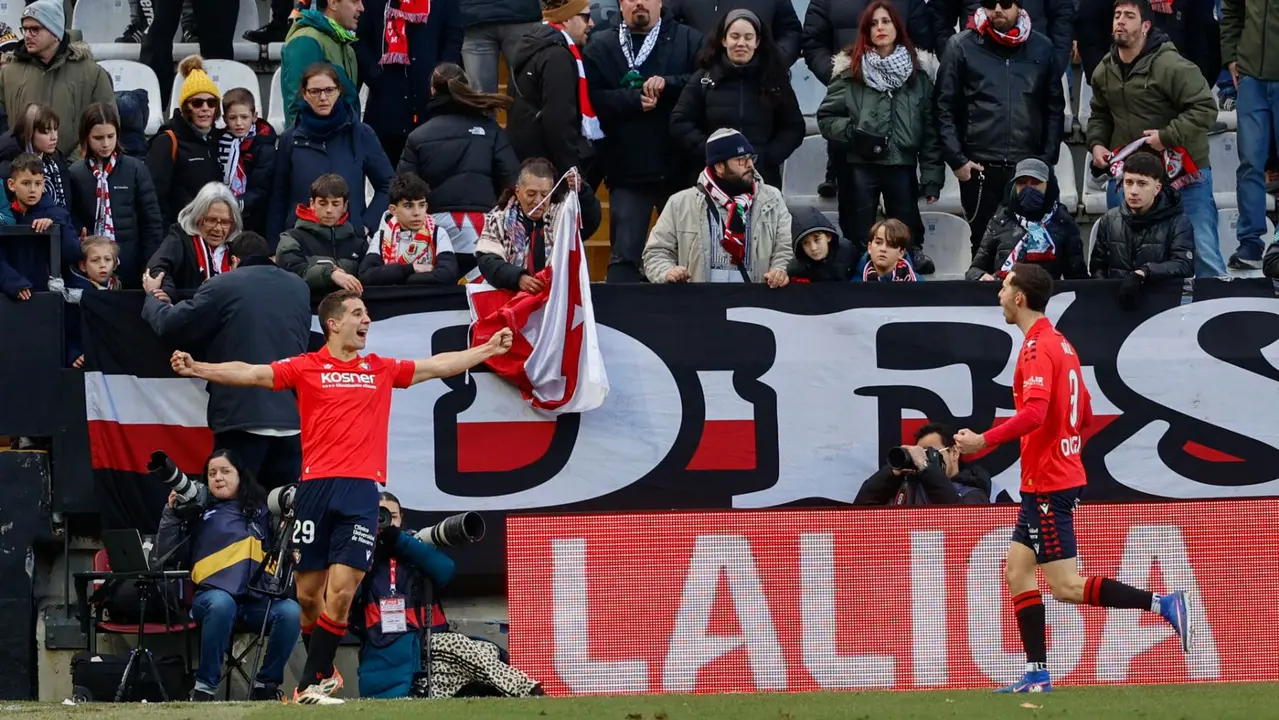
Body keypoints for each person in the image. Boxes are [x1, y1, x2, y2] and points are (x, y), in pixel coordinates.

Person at [167, 290, 516, 705]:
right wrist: (198, 368)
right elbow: (253, 373)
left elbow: (436, 365)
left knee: (343, 590)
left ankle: (311, 680)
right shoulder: (306, 366)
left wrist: (487, 349)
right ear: (333, 324)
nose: (366, 320)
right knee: (308, 596)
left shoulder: (380, 368)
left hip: (360, 490)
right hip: (314, 489)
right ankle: (325, 671)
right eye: (357, 313)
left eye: (366, 313)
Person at [953, 262, 1191, 693]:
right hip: (1049, 477)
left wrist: (983, 441)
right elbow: (1082, 416)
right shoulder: (1061, 343)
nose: (999, 295)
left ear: (1020, 297)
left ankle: (1163, 603)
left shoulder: (1035, 348)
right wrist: (1063, 448)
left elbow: (1035, 413)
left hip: (1049, 482)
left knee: (1065, 585)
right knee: (1017, 572)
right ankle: (1036, 673)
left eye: (1004, 288)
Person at [141, 232, 311, 491]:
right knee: (284, 508)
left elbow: (171, 325)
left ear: (233, 261)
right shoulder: (299, 287)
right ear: (270, 257)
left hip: (241, 417)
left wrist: (152, 297)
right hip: (291, 420)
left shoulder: (224, 284)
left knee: (229, 505)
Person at [354, 492, 543, 698]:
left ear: (401, 518)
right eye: (378, 517)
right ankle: (527, 689)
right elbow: (351, 595)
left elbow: (446, 570)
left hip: (427, 646)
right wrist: (366, 551)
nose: (386, 523)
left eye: (392, 516)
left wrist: (400, 542)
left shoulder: (414, 547)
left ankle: (503, 694)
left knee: (487, 651)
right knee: (458, 645)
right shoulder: (358, 555)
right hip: (390, 650)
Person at [1085, 0, 1224, 278]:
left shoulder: (1172, 65)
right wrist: (1097, 143)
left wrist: (1167, 136)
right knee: (1124, 255)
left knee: (1203, 254)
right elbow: (1100, 114)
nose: (1120, 21)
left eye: (1129, 16)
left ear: (1145, 26)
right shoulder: (1104, 70)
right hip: (1133, 175)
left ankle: (1217, 304)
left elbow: (1205, 108)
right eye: (1117, 15)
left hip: (1185, 173)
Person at [154, 450, 303, 702]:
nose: (218, 478)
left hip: (255, 602)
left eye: (225, 471)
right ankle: (204, 688)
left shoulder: (264, 511)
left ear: (240, 476)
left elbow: (286, 546)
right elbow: (165, 556)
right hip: (210, 599)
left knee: (290, 611)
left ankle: (265, 685)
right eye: (212, 473)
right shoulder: (197, 510)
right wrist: (172, 513)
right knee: (222, 603)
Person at [582, 0, 704, 282]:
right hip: (627, 170)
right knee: (624, 258)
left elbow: (704, 82)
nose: (639, 2)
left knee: (687, 259)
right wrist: (630, 100)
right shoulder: (601, 44)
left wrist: (669, 83)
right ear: (620, 4)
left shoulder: (689, 39)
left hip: (679, 171)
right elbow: (589, 98)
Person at [816, 0, 942, 272]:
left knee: (906, 224)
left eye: (886, 21)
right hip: (860, 165)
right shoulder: (850, 70)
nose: (880, 28)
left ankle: (909, 263)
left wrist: (932, 179)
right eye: (873, 24)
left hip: (902, 163)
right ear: (866, 30)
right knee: (859, 230)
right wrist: (855, 135)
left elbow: (930, 131)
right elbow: (826, 117)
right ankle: (860, 273)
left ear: (897, 26)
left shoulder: (919, 74)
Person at [933, 0, 1064, 252]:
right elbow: (943, 107)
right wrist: (957, 160)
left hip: (1027, 168)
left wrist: (1045, 161)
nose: (997, 9)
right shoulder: (960, 46)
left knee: (1031, 247)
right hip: (979, 169)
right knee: (983, 247)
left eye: (1004, 2)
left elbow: (1054, 109)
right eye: (989, 2)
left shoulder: (1042, 47)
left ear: (1019, 5)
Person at [397, 63, 520, 280]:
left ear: (432, 91)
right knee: (483, 292)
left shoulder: (418, 136)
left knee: (439, 294)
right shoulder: (491, 130)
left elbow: (404, 188)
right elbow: (513, 180)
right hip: (483, 226)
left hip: (434, 229)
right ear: (466, 87)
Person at [668, 9, 805, 187]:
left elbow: (794, 127)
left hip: (762, 180)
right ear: (724, 40)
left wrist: (767, 157)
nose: (741, 43)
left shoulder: (774, 80)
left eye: (748, 37)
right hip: (712, 181)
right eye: (735, 36)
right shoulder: (704, 79)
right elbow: (680, 122)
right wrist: (711, 152)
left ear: (757, 42)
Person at [642, 128, 793, 285]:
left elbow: (786, 248)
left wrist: (779, 270)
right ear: (719, 166)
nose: (750, 165)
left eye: (750, 158)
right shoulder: (680, 203)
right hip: (702, 299)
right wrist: (667, 272)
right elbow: (656, 252)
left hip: (753, 298)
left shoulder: (772, 199)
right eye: (741, 160)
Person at [269, 63, 394, 249]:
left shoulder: (361, 134)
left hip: (349, 242)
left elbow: (388, 185)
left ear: (339, 91)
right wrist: (274, 246)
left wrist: (364, 225)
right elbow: (278, 196)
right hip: (302, 243)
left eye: (329, 90)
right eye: (315, 91)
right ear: (304, 94)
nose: (323, 98)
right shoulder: (290, 138)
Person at [355, 0, 466, 165]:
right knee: (389, 173)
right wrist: (375, 74)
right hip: (387, 101)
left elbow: (453, 38)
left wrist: (441, 76)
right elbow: (361, 39)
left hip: (430, 101)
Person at [0, 0, 116, 156]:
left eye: (35, 29)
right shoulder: (8, 73)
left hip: (75, 167)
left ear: (55, 33)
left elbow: (106, 124)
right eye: (25, 29)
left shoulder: (92, 73)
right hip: (20, 167)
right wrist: (18, 161)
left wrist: (72, 165)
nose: (27, 35)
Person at [68, 103, 164, 290]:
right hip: (91, 268)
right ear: (86, 137)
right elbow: (72, 215)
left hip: (131, 264)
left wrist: (149, 265)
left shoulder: (135, 169)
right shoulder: (76, 173)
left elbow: (151, 221)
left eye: (110, 136)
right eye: (98, 138)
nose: (105, 144)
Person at [507, 0, 600, 182]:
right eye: (586, 17)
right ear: (566, 19)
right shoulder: (557, 56)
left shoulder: (532, 43)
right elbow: (559, 121)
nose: (591, 23)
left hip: (533, 161)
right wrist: (571, 169)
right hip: (550, 168)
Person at [475, 158, 602, 290]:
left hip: (554, 294)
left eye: (544, 195)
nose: (538, 201)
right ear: (517, 191)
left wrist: (582, 192)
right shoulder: (498, 218)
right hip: (511, 295)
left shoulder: (563, 217)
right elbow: (488, 260)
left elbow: (589, 222)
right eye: (531, 194)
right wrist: (517, 278)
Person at [1088, 150, 1193, 305]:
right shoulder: (1109, 220)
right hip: (1115, 305)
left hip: (1161, 306)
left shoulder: (1178, 221)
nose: (1134, 191)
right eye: (1129, 182)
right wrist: (1105, 300)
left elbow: (1184, 265)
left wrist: (1145, 272)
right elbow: (1098, 269)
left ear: (1157, 188)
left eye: (1142, 184)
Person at [1222, 0, 1279, 270]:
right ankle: (1250, 242)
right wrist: (1232, 58)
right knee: (1249, 163)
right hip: (1251, 77)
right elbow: (1231, 11)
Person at [967, 158, 1087, 281]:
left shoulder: (1063, 223)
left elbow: (1078, 279)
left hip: (1048, 292)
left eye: (1035, 183)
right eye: (1022, 183)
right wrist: (980, 276)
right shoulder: (999, 221)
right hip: (1005, 290)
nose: (1028, 188)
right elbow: (975, 269)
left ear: (1048, 186)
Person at [146, 56, 225, 230]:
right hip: (179, 234)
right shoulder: (167, 141)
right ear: (185, 108)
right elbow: (154, 199)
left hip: (213, 232)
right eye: (197, 103)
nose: (205, 108)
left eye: (211, 102)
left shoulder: (218, 139)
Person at [853, 422, 992, 505]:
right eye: (921, 452)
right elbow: (860, 510)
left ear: (954, 453)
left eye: (930, 452)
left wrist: (926, 468)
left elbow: (959, 521)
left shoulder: (973, 493)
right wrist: (891, 472)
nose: (923, 457)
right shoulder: (907, 489)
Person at [360, 172, 460, 286]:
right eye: (408, 206)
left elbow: (449, 275)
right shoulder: (381, 236)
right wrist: (411, 269)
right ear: (393, 210)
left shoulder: (438, 233)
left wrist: (398, 279)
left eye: (421, 205)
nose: (417, 212)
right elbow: (366, 276)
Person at [276, 174, 369, 296]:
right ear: (312, 204)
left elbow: (369, 277)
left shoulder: (359, 245)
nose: (329, 210)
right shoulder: (292, 238)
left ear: (345, 206)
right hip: (308, 305)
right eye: (323, 203)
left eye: (335, 204)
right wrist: (330, 274)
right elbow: (292, 271)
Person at [146, 182, 243, 296]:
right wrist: (167, 293)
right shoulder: (180, 238)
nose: (218, 228)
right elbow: (156, 268)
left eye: (225, 222)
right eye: (211, 220)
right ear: (197, 218)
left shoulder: (238, 245)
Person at [281, 0, 363, 127]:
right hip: (316, 139)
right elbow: (297, 107)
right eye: (355, 1)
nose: (361, 8)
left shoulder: (347, 48)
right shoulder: (306, 40)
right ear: (333, 3)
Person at [218, 89, 278, 237]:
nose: (239, 123)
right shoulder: (219, 142)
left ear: (254, 116)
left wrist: (238, 203)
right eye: (233, 118)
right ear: (225, 119)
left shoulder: (264, 147)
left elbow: (261, 188)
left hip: (254, 215)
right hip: (222, 210)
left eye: (244, 117)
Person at [786, 205, 855, 282]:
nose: (813, 248)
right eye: (805, 243)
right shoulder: (796, 269)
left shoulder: (847, 251)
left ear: (828, 236)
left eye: (817, 240)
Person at [851, 218, 920, 281]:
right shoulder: (854, 285)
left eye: (891, 245)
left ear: (901, 253)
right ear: (870, 247)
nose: (883, 249)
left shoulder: (919, 284)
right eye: (878, 243)